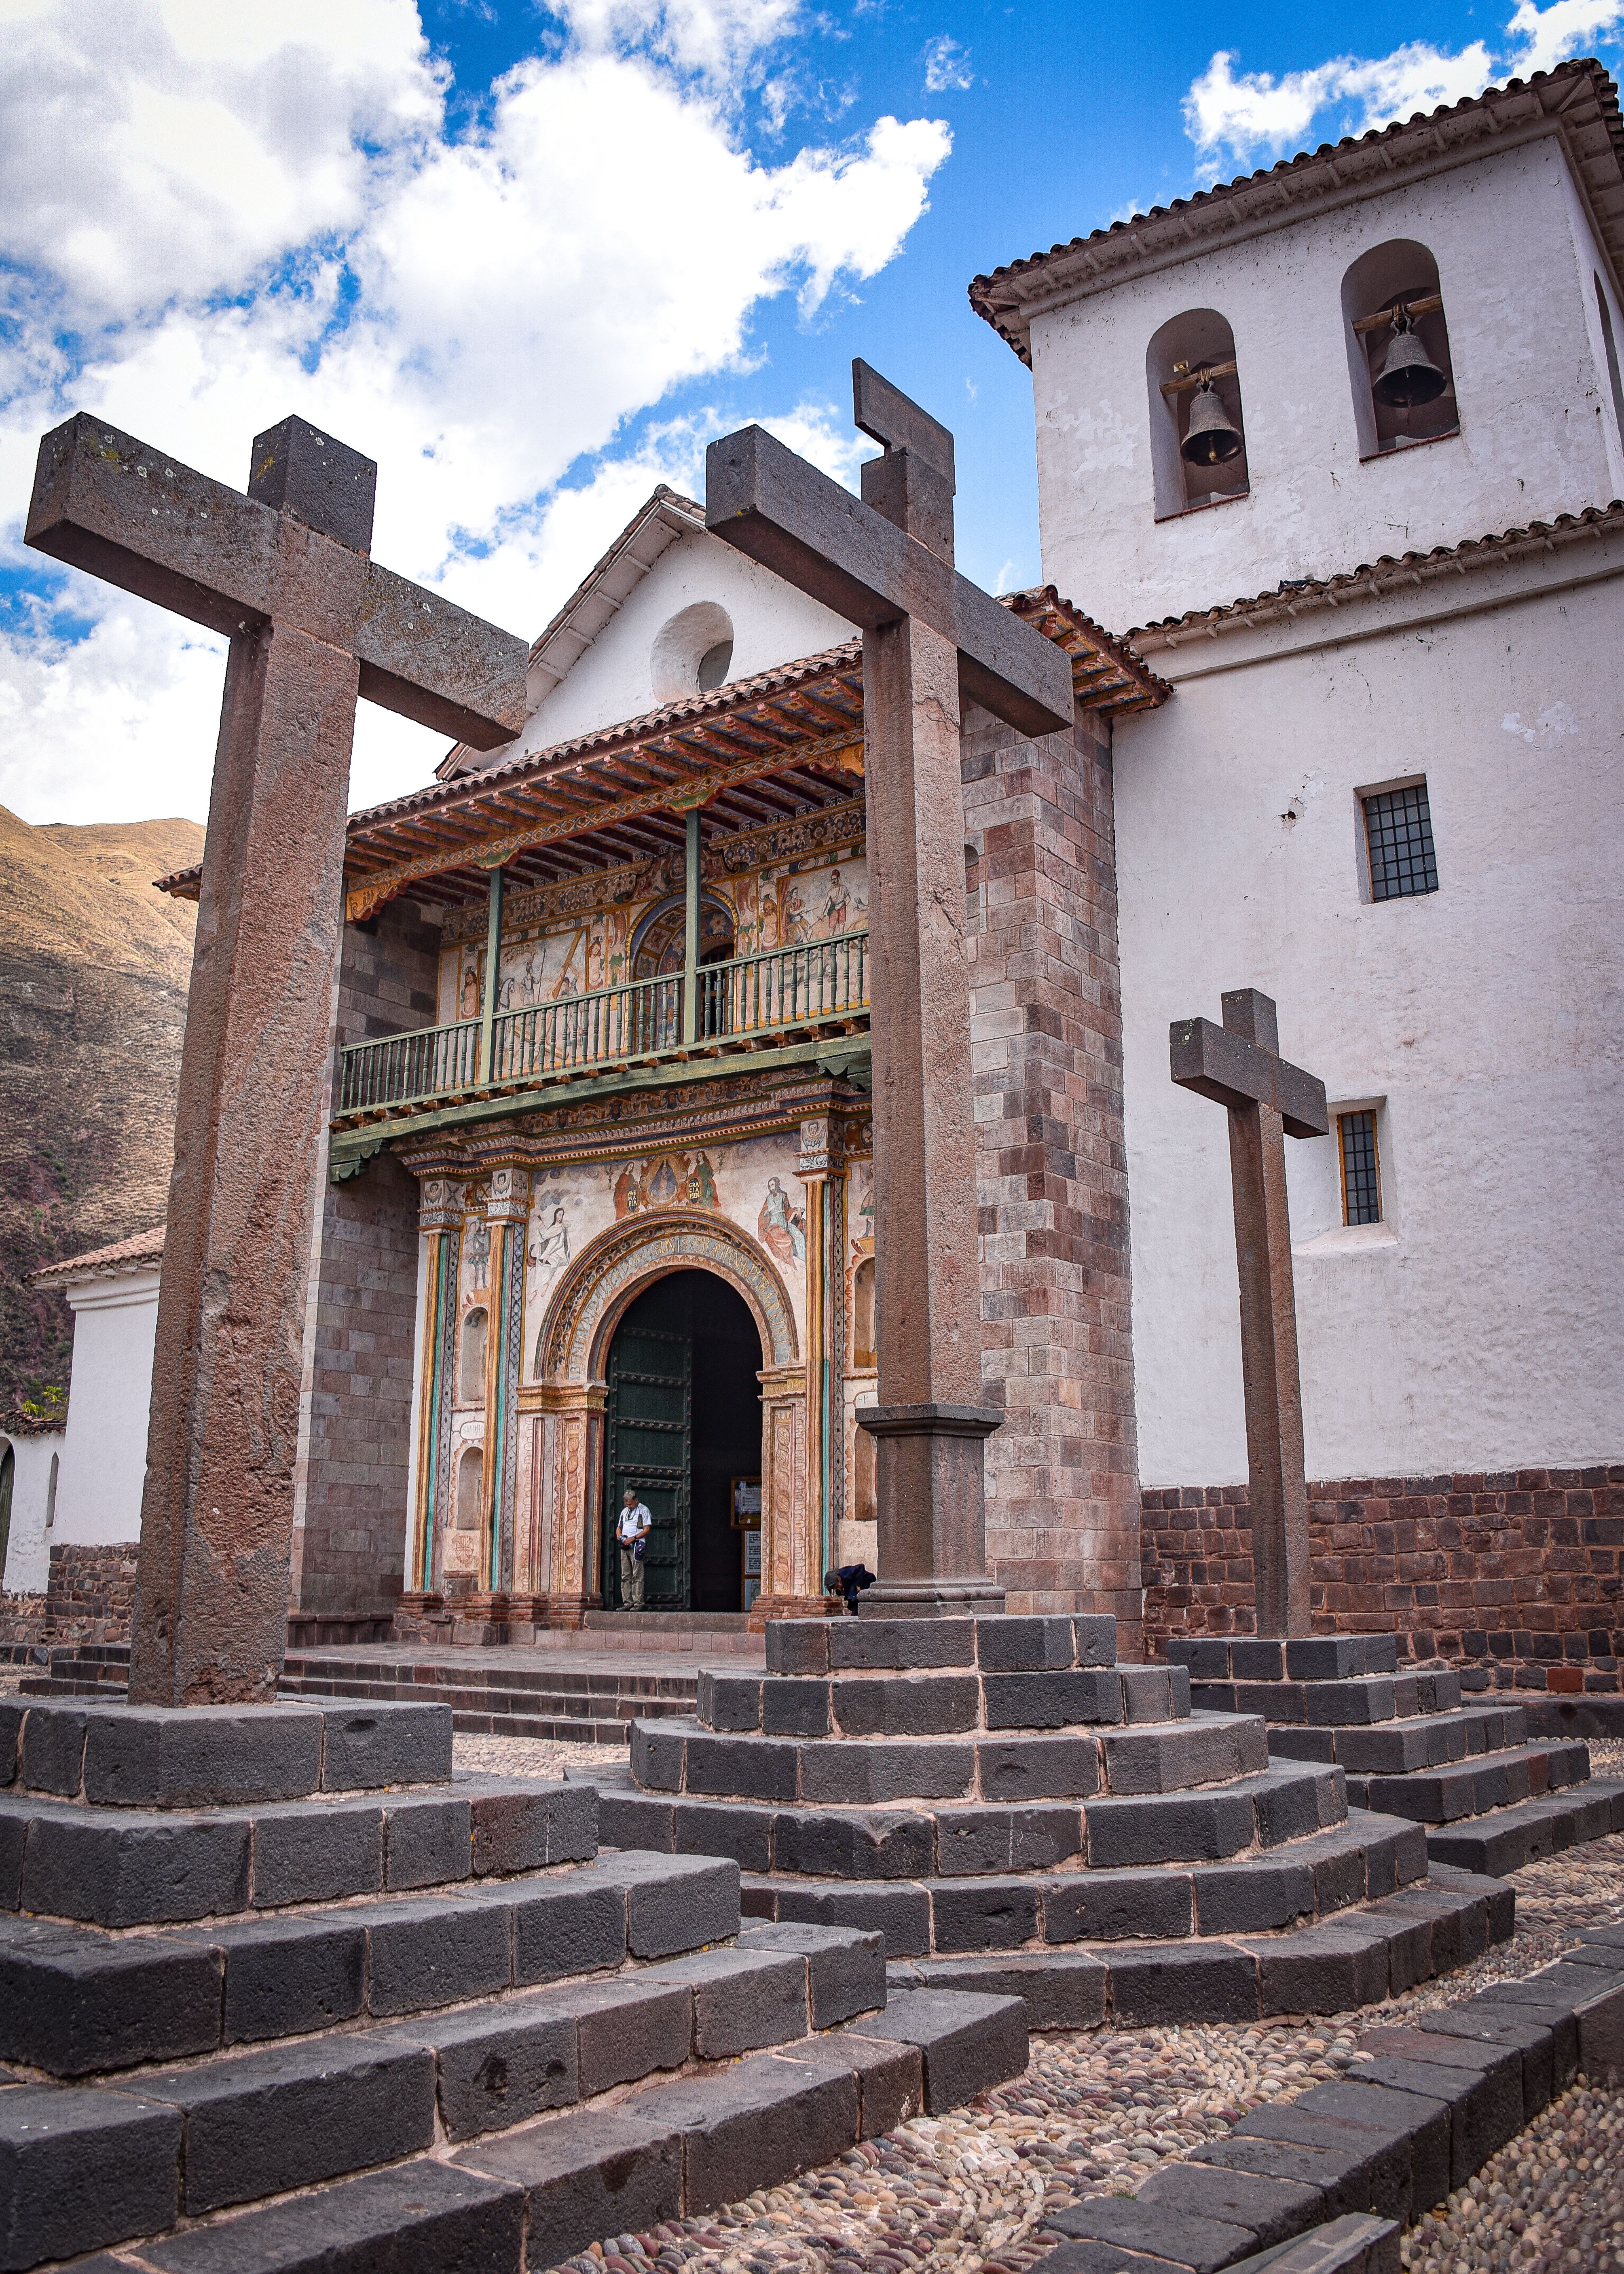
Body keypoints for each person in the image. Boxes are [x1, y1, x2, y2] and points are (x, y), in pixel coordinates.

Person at [617, 1486, 653, 1610]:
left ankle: (638, 1603)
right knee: (625, 1575)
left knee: (637, 1575)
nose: (629, 1506)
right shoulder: (624, 1512)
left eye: (631, 1504)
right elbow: (619, 1527)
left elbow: (646, 1530)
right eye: (627, 1504)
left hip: (637, 1545)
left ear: (636, 1500)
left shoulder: (644, 1510)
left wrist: (633, 1538)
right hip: (625, 1545)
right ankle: (628, 1603)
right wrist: (619, 1535)